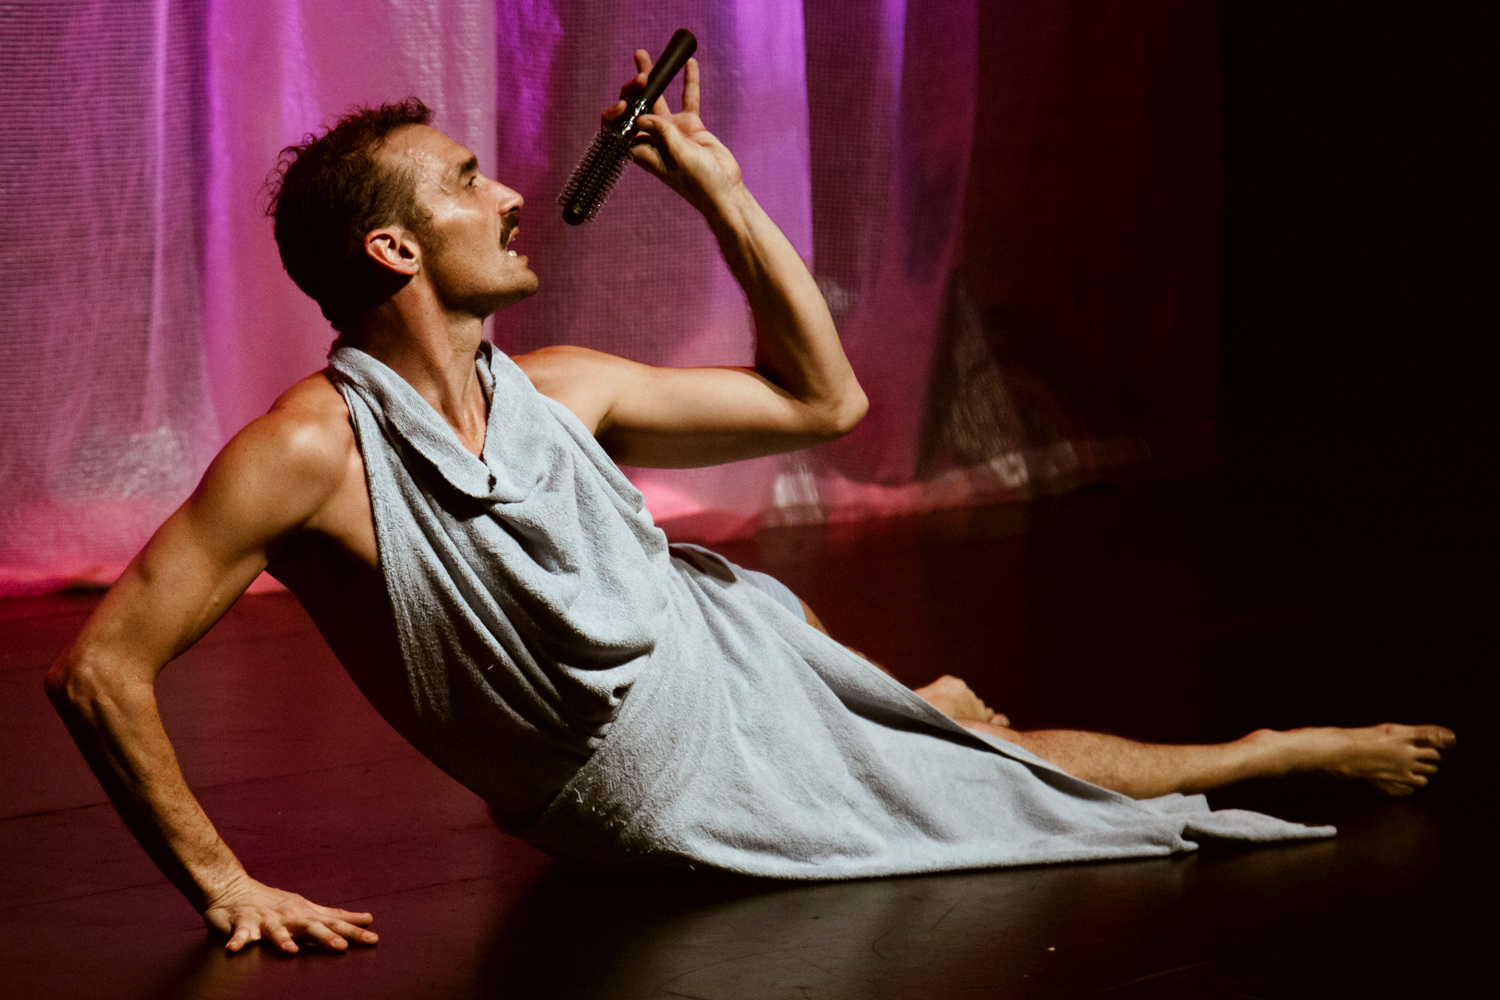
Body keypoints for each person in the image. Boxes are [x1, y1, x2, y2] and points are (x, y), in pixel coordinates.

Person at [46, 50, 1454, 956]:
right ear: (395, 246)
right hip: (659, 789)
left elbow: (821, 402)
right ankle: (1241, 747)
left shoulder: (564, 386)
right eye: (469, 179)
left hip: (728, 662)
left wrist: (720, 193)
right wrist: (225, 883)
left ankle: (1252, 747)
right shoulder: (306, 452)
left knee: (985, 763)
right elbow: (98, 668)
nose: (515, 191)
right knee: (997, 773)